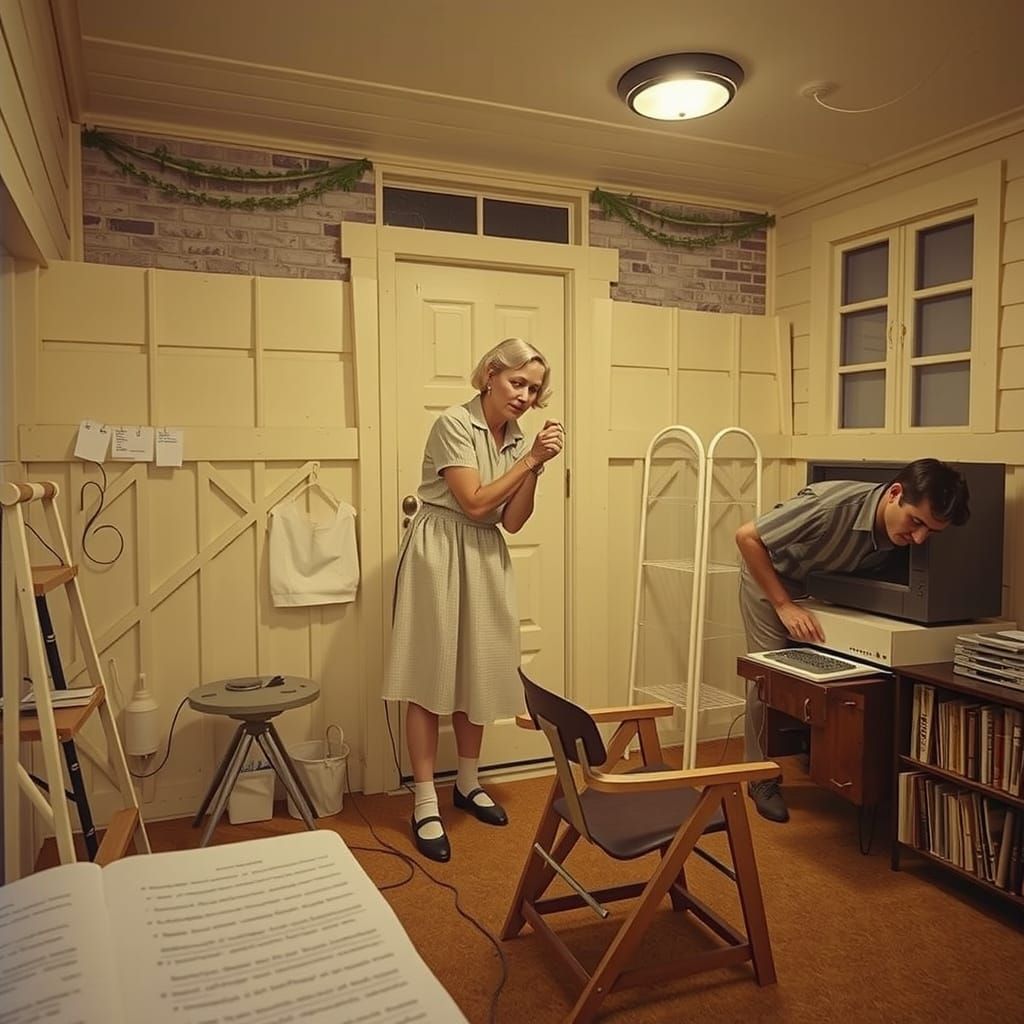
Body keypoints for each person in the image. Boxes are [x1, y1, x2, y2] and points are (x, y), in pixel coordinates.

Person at [382, 337, 564, 862]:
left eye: (534, 389)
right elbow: (476, 503)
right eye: (517, 382)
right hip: (439, 548)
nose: (525, 396)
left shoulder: (518, 439)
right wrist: (530, 459)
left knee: (479, 669)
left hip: (485, 553)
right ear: (490, 375)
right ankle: (424, 800)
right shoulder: (453, 424)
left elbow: (513, 521)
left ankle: (467, 782)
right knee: (428, 674)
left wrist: (535, 467)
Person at [734, 458, 970, 823]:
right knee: (768, 676)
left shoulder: (903, 528)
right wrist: (783, 605)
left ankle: (813, 751)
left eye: (931, 531)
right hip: (773, 579)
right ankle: (759, 777)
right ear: (895, 494)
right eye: (916, 522)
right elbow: (747, 537)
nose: (920, 538)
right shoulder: (828, 507)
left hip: (821, 585)